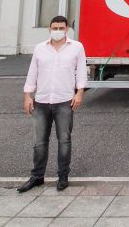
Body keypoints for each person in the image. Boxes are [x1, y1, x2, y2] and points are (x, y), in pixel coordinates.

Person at [18, 15, 87, 192]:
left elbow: (80, 72)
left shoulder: (76, 47)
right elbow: (33, 72)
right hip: (41, 101)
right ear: (49, 29)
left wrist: (79, 93)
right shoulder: (40, 48)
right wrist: (27, 95)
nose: (57, 31)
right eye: (54, 28)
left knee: (64, 140)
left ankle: (63, 177)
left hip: (64, 101)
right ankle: (37, 176)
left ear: (66, 29)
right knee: (39, 142)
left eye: (61, 28)